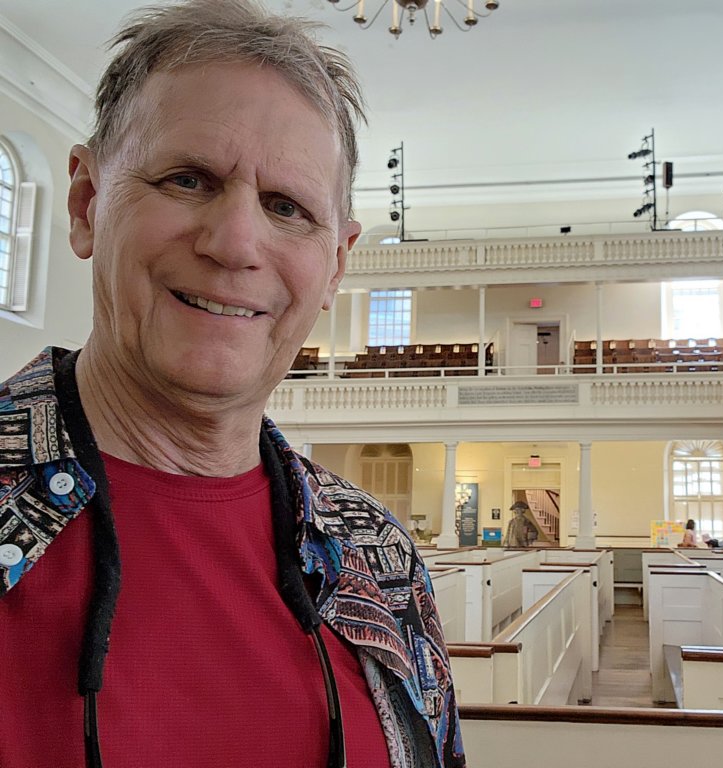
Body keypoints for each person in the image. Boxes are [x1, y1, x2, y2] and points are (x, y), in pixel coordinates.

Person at [0, 2, 465, 767]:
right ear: (87, 204)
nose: (236, 243)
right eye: (188, 180)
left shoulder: (377, 554)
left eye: (287, 207)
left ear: (336, 267)